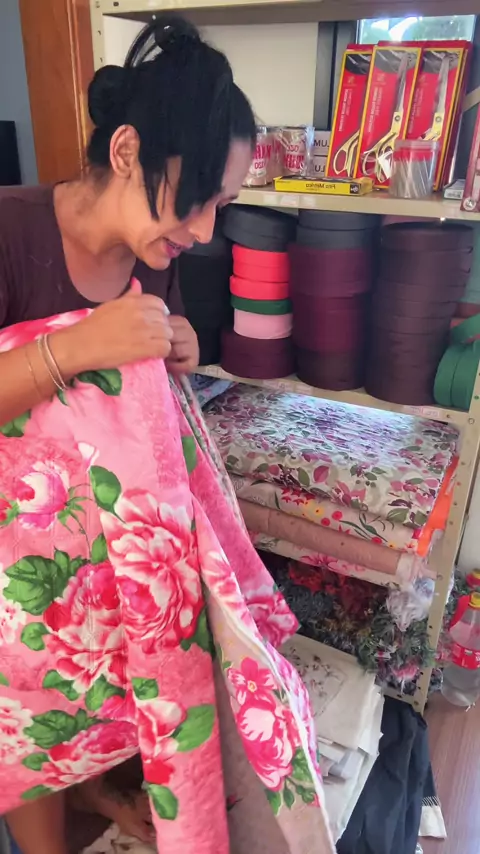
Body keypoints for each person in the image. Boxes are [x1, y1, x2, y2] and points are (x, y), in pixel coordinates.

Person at [0, 14, 256, 854]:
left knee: (120, 679)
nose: (206, 230)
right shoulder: (10, 232)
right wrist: (75, 348)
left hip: (106, 545)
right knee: (31, 707)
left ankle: (101, 793)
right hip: (18, 563)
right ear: (125, 152)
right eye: (198, 197)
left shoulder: (155, 256)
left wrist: (176, 347)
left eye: (223, 204)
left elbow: (138, 380)